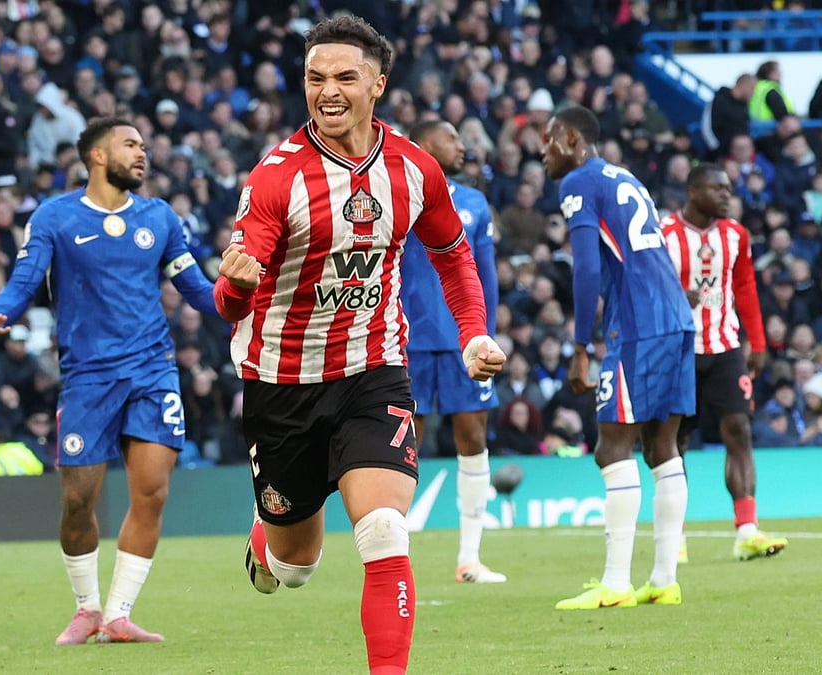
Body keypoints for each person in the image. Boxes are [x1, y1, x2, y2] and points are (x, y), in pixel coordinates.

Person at [213, 16, 506, 674]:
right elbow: (233, 298)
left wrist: (474, 333)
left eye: (345, 76)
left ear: (378, 84)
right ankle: (270, 538)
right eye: (316, 78)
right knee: (294, 568)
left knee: (382, 529)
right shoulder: (275, 179)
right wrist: (231, 288)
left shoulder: (412, 169)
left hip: (374, 371)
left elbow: (454, 256)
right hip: (282, 383)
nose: (329, 90)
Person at [0, 117, 218, 645]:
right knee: (79, 502)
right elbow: (26, 279)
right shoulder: (54, 217)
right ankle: (87, 606)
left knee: (152, 492)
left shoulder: (161, 217)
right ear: (98, 156)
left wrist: (245, 303)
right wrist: (1, 316)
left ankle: (120, 614)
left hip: (153, 371)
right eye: (131, 145)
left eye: (144, 146)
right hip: (88, 377)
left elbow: (196, 288)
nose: (142, 154)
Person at [543, 105, 695, 610]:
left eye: (547, 142)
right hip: (674, 316)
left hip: (639, 326)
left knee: (612, 449)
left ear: (569, 138)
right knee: (664, 448)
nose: (543, 153)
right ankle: (664, 579)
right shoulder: (623, 176)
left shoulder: (578, 183)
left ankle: (614, 584)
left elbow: (586, 268)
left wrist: (582, 347)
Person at [661, 164, 790, 562]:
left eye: (729, 189)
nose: (726, 195)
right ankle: (673, 536)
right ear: (693, 190)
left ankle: (747, 529)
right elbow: (644, 284)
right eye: (717, 189)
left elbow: (745, 285)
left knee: (739, 430)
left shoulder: (736, 234)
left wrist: (758, 340)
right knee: (675, 440)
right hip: (678, 349)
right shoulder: (663, 233)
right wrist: (674, 296)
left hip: (726, 347)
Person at [402, 119, 505, 584]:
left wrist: (486, 334)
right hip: (408, 340)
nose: (463, 145)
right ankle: (394, 559)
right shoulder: (399, 193)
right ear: (425, 145)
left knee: (473, 439)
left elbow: (487, 275)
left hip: (464, 341)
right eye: (453, 138)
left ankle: (470, 558)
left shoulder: (474, 202)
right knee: (402, 447)